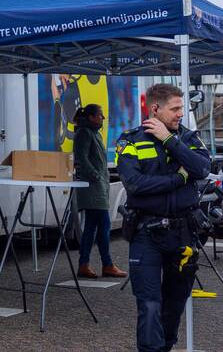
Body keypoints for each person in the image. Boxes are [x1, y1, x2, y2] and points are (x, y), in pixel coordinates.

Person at [117, 83, 210, 352]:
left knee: (173, 307)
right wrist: (178, 178)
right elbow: (135, 185)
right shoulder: (130, 139)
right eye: (175, 108)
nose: (181, 113)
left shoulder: (189, 138)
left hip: (183, 234)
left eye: (181, 107)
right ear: (154, 109)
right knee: (148, 305)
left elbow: (202, 169)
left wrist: (170, 140)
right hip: (146, 234)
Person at [73, 103, 127, 279]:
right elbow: (81, 157)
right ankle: (107, 264)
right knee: (103, 225)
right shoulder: (84, 133)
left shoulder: (91, 132)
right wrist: (96, 176)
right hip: (93, 188)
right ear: (91, 117)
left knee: (91, 227)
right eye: (100, 115)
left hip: (97, 186)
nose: (103, 118)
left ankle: (85, 264)